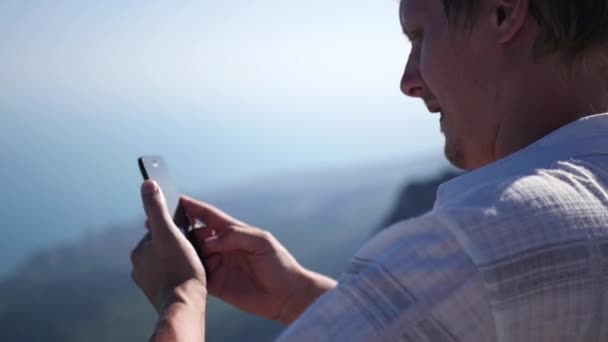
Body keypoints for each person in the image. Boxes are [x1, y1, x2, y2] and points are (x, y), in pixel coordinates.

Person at [130, 0, 608, 340]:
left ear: (503, 13)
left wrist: (182, 297)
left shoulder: (480, 244)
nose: (408, 80)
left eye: (420, 36)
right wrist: (297, 295)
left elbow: (481, 285)